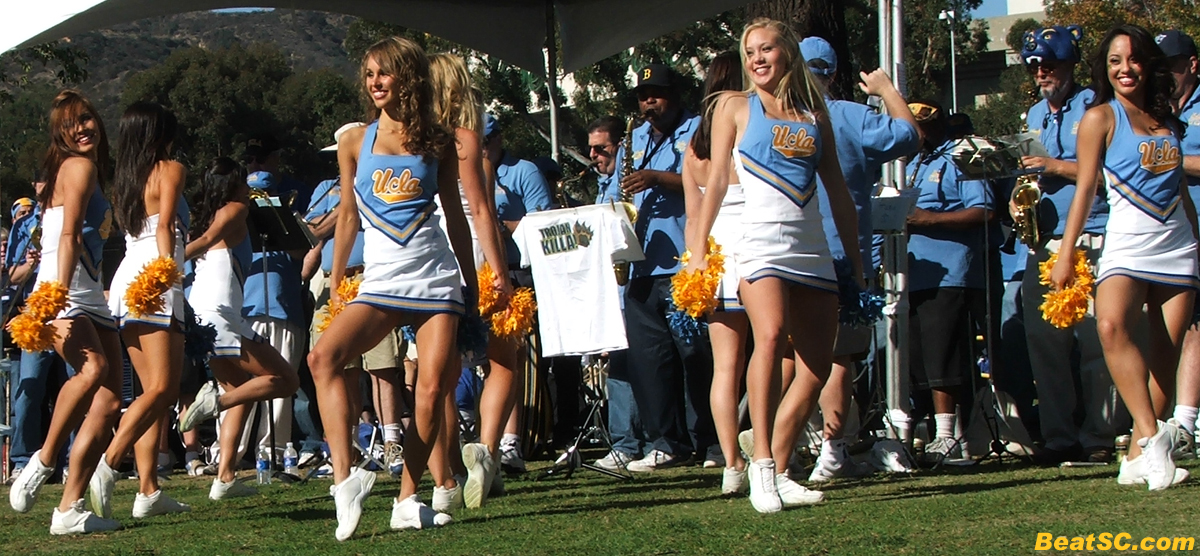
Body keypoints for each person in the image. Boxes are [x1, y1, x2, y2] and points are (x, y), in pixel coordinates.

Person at [686, 18, 862, 513]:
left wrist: (854, 257)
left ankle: (780, 466)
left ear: (787, 54)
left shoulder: (814, 113)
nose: (757, 59)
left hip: (810, 245)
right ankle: (759, 465)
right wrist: (698, 250)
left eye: (766, 49)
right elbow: (716, 180)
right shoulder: (734, 106)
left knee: (816, 363)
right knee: (768, 336)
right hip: (758, 242)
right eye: (749, 52)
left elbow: (839, 193)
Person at [306, 35, 477, 540]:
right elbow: (348, 217)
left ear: (408, 76)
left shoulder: (441, 140)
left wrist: (470, 282)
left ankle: (407, 498)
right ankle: (345, 480)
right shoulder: (355, 140)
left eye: (384, 73)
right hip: (380, 279)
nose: (375, 83)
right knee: (323, 359)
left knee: (430, 389)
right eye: (369, 76)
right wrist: (337, 279)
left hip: (434, 275)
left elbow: (458, 220)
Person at [1052, 24, 1196, 490]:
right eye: (1114, 61)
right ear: (1105, 69)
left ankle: (1136, 458)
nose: (1124, 69)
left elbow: (1179, 188)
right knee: (1110, 325)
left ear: (1148, 64)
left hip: (1178, 244)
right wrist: (1066, 252)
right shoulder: (1100, 118)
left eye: (1133, 59)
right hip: (1127, 241)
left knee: (1164, 357)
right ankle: (1155, 441)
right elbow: (1086, 188)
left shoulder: (1169, 119)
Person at [797, 36, 921, 480]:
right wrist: (887, 90)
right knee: (835, 358)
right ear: (831, 74)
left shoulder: (774, 117)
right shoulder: (850, 115)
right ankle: (830, 450)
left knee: (786, 353)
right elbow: (910, 135)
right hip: (841, 253)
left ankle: (785, 450)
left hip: (788, 251)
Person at [8, 89, 124, 534]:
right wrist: (54, 292)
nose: (84, 128)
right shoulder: (79, 166)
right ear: (60, 133)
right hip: (64, 290)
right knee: (91, 371)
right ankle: (40, 460)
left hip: (88, 291)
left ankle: (69, 510)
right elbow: (69, 234)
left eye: (89, 119)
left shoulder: (79, 169)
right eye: (73, 123)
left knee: (111, 399)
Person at [600, 62, 715, 472]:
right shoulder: (635, 139)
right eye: (643, 95)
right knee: (651, 360)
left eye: (657, 94)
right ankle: (667, 442)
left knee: (696, 355)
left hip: (686, 262)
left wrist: (657, 179)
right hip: (642, 264)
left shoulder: (698, 129)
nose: (649, 102)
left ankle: (711, 440)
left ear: (676, 96)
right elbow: (615, 195)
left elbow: (707, 180)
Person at [1019, 25, 1121, 465]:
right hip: (1044, 240)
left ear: (1071, 65)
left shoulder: (1097, 106)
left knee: (1096, 340)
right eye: (1035, 66)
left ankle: (1100, 433)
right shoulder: (1034, 114)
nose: (1042, 73)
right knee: (1046, 341)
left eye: (1050, 64)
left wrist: (1056, 166)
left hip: (1092, 235)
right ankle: (1059, 435)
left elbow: (1109, 175)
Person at [180, 156, 300, 499]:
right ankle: (216, 403)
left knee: (241, 388)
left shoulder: (209, 214)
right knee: (285, 380)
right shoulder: (235, 209)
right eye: (244, 183)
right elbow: (204, 244)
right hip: (219, 314)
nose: (248, 189)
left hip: (206, 313)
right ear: (233, 185)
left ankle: (225, 477)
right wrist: (164, 266)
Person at [96, 101, 192, 520]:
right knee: (161, 390)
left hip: (125, 278)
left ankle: (149, 489)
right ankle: (108, 465)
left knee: (154, 390)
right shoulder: (171, 169)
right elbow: (167, 224)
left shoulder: (125, 181)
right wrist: (170, 272)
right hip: (155, 276)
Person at [427, 52, 514, 510]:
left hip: (430, 256)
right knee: (504, 356)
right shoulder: (467, 139)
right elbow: (481, 210)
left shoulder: (416, 139)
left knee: (437, 372)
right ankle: (487, 448)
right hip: (472, 251)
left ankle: (450, 475)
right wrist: (499, 272)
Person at [306, 123, 409, 477]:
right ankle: (345, 448)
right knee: (338, 366)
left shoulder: (378, 179)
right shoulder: (324, 189)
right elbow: (311, 229)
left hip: (371, 277)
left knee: (381, 365)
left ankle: (393, 443)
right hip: (334, 281)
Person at [902, 99, 993, 464]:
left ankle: (947, 435)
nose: (918, 134)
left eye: (923, 127)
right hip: (914, 271)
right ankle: (927, 432)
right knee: (918, 356)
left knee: (945, 353)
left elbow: (984, 209)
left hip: (951, 270)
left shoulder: (960, 157)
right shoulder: (909, 164)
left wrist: (928, 220)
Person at [681, 51, 748, 493]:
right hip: (755, 249)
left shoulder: (694, 147)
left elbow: (691, 218)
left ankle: (731, 462)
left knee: (725, 367)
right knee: (776, 353)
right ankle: (768, 447)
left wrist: (696, 268)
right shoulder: (748, 130)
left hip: (714, 258)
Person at [481, 113, 551, 474]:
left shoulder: (522, 171)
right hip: (474, 274)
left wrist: (500, 225)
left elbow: (546, 223)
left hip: (514, 273)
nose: (484, 148)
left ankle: (510, 443)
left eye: (488, 141)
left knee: (509, 359)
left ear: (499, 138)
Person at [585, 116, 651, 472]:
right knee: (619, 365)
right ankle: (625, 438)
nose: (594, 155)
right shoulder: (602, 182)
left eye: (601, 148)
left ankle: (631, 441)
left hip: (634, 281)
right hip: (610, 285)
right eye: (591, 149)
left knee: (631, 364)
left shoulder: (625, 178)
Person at [1161, 29, 1200, 452]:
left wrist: (1170, 161)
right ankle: (1185, 422)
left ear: (1191, 64)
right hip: (1175, 231)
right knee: (1189, 322)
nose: (1164, 74)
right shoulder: (1154, 111)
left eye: (1170, 65)